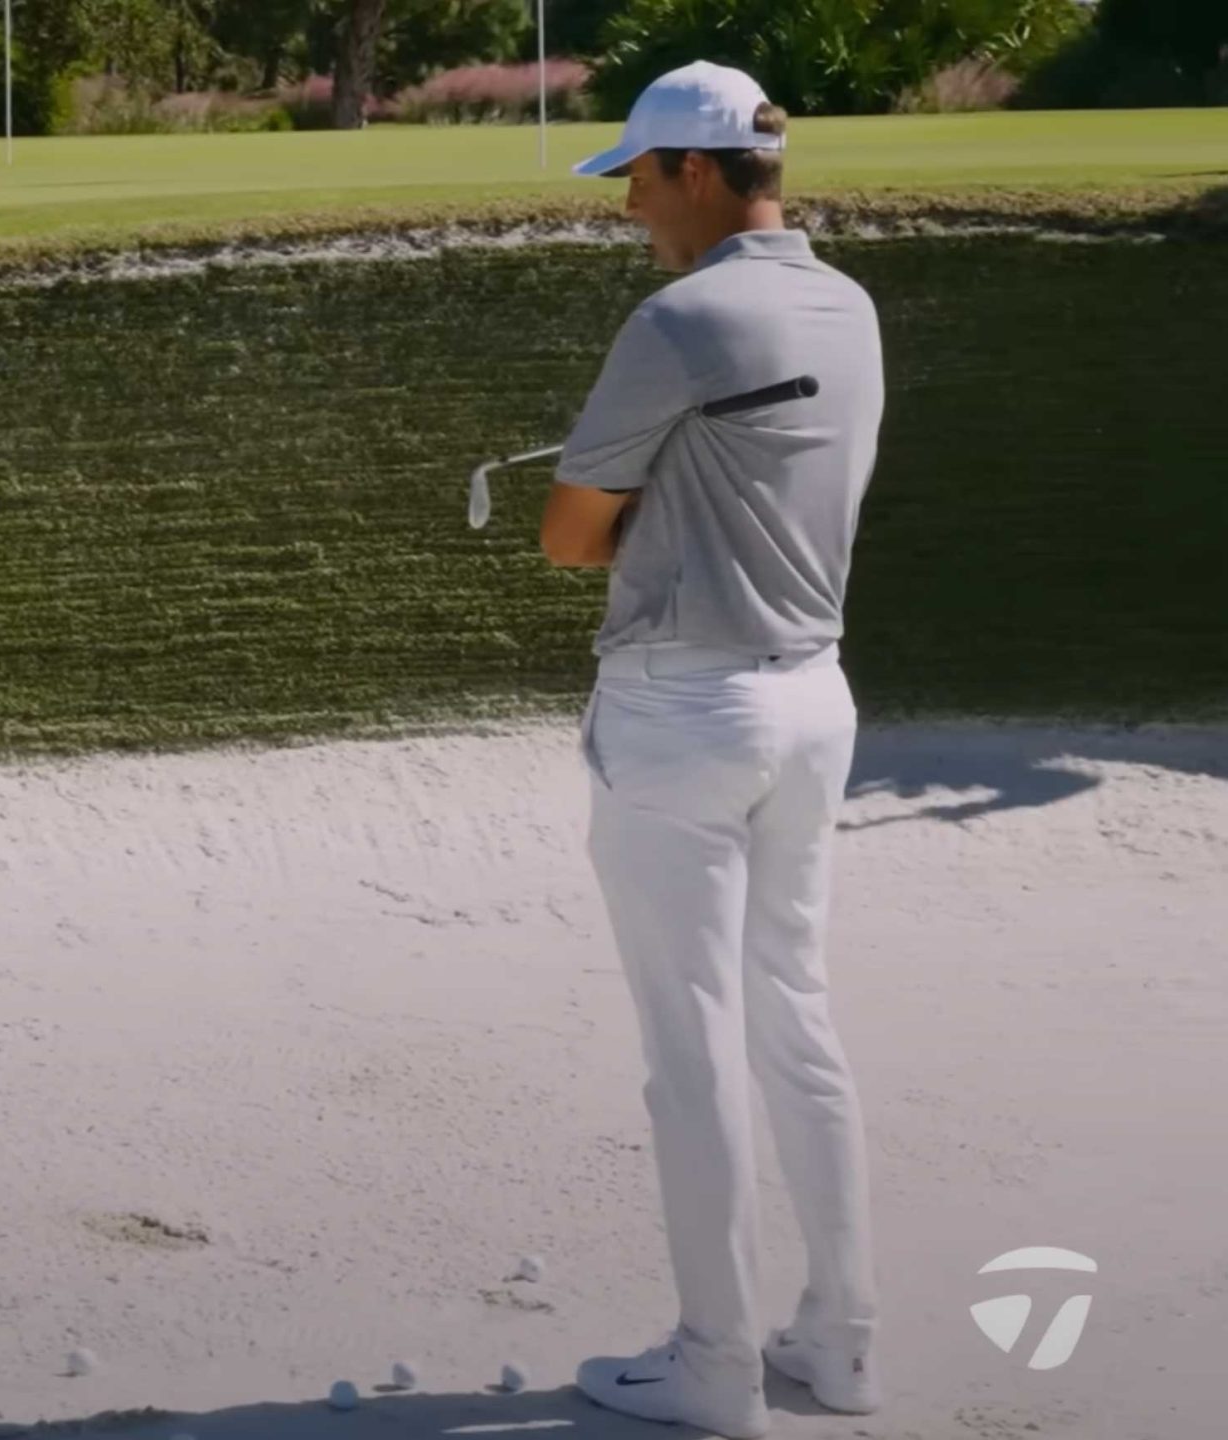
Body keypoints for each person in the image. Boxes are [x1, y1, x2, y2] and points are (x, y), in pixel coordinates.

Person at [541, 61, 884, 1438]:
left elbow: (568, 534)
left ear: (694, 170)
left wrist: (647, 513)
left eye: (637, 174)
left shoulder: (679, 319)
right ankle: (843, 1346)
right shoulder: (849, 304)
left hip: (685, 710)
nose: (627, 202)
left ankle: (715, 1365)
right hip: (817, 704)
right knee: (795, 1019)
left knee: (691, 1049)